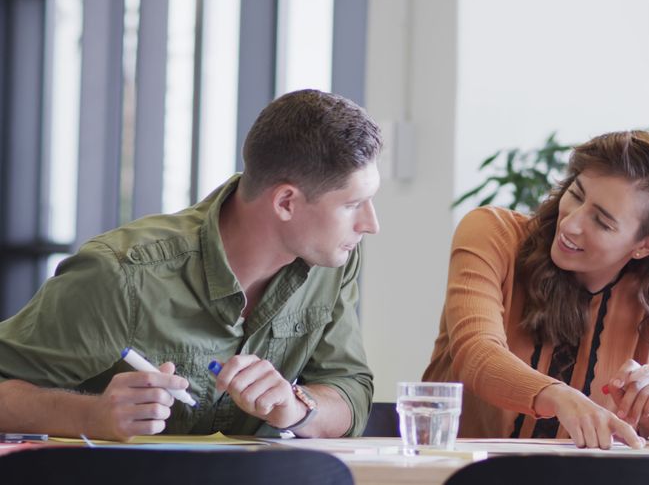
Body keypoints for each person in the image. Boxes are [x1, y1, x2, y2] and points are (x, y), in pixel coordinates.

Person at [0, 89, 382, 441]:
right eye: (352, 205)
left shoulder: (332, 262)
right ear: (285, 202)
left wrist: (297, 409)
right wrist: (91, 415)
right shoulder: (122, 274)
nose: (371, 224)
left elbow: (348, 388)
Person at [423, 130, 649, 449]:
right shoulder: (493, 235)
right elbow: (475, 354)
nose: (570, 223)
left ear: (648, 244)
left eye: (602, 221)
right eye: (577, 193)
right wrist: (557, 396)